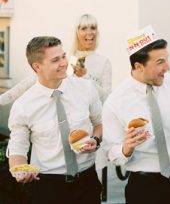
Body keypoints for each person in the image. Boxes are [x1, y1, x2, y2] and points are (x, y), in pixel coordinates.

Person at [102, 26, 170, 204]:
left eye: (167, 59)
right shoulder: (116, 101)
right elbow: (111, 151)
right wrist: (126, 148)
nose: (168, 67)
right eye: (160, 62)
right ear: (138, 66)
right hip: (145, 189)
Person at [8, 36, 103, 204]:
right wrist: (20, 172)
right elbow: (17, 150)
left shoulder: (86, 88)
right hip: (48, 189)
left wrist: (95, 139)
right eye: (55, 60)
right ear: (37, 67)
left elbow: (100, 124)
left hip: (88, 183)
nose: (64, 63)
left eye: (63, 56)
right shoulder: (23, 106)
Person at [0, 13, 112, 106]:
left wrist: (84, 76)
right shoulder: (66, 59)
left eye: (93, 28)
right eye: (84, 28)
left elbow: (106, 99)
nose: (89, 32)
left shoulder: (104, 62)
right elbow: (29, 82)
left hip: (94, 125)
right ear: (77, 32)